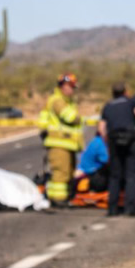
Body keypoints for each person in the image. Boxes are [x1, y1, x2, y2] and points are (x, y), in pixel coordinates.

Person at [100, 82, 135, 216]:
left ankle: (112, 209)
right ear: (125, 91)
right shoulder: (132, 102)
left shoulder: (108, 106)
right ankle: (130, 208)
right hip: (131, 141)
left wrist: (108, 142)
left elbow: (101, 129)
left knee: (115, 176)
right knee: (131, 175)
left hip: (114, 141)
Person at [40, 73, 83, 207]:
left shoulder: (66, 100)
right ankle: (59, 199)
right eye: (71, 87)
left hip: (67, 144)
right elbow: (70, 117)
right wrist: (79, 118)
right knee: (61, 173)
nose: (72, 90)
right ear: (64, 86)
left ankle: (54, 196)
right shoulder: (58, 100)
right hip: (59, 144)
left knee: (66, 172)